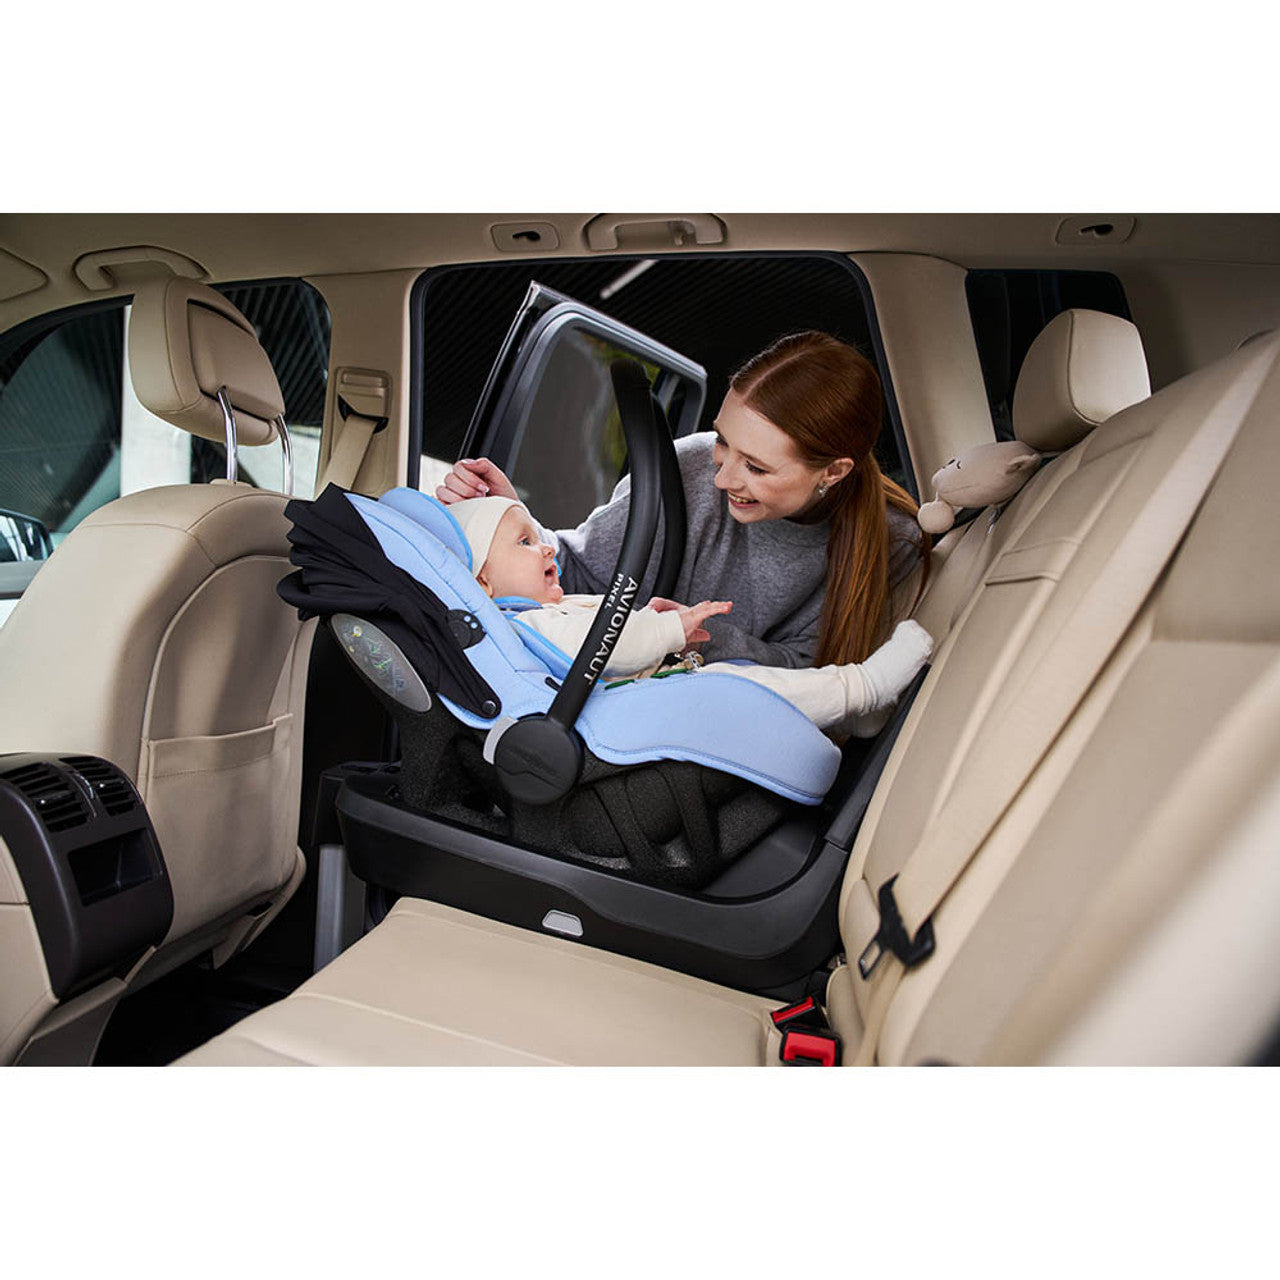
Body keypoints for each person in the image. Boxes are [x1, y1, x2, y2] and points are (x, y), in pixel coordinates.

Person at [436, 331, 928, 672]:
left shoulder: (891, 541)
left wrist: (703, 637)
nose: (722, 477)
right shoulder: (689, 465)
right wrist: (509, 526)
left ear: (833, 471)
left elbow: (815, 677)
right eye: (723, 441)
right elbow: (582, 577)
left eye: (756, 468)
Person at [450, 495, 933, 737]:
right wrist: (666, 629)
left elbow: (604, 627)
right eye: (525, 542)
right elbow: (602, 645)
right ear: (483, 584)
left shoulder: (545, 610)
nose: (547, 546)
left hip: (654, 689)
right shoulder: (527, 625)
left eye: (539, 537)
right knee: (744, 688)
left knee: (748, 682)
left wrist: (647, 617)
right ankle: (863, 689)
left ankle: (856, 701)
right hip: (639, 706)